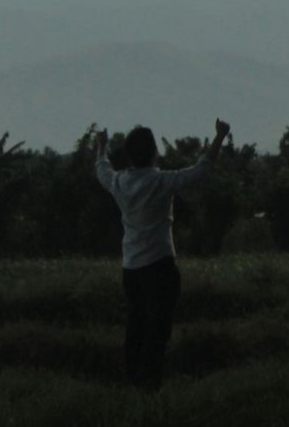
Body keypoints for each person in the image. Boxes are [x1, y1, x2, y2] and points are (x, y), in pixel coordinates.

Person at [94, 119, 231, 390]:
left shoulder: (119, 182)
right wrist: (219, 137)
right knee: (158, 331)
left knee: (136, 327)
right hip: (160, 266)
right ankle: (149, 386)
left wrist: (101, 146)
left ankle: (133, 382)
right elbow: (200, 171)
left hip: (131, 269)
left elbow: (102, 168)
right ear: (154, 151)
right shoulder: (161, 181)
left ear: (131, 155)